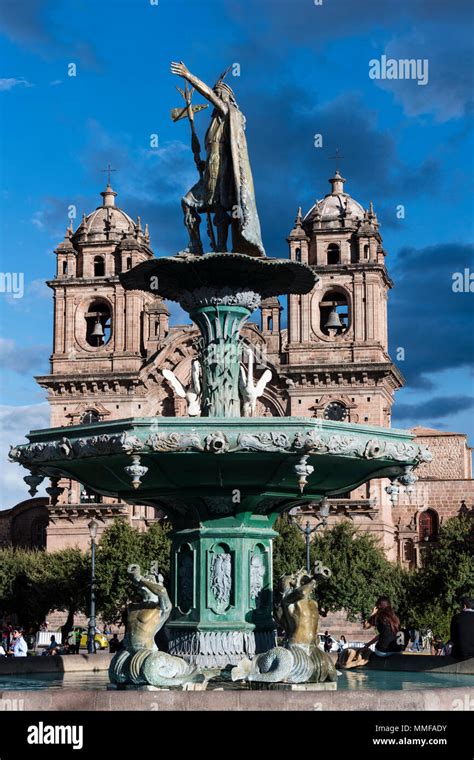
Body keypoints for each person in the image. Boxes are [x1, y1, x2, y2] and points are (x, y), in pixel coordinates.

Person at [339, 596, 404, 669]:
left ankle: (358, 661)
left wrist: (373, 613)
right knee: (367, 648)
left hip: (383, 652)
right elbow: (385, 634)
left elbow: (365, 626)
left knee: (366, 651)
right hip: (398, 651)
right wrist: (369, 643)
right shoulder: (395, 618)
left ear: (378, 606)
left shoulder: (379, 616)